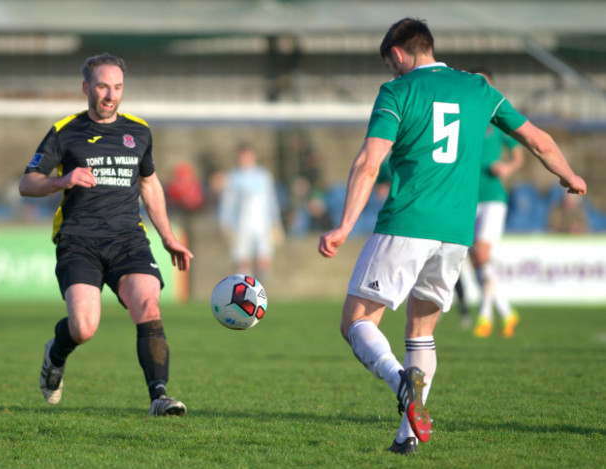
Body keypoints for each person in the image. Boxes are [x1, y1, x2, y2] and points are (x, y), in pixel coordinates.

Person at [318, 18, 586, 455]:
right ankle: (406, 437)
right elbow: (537, 140)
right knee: (421, 332)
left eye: (391, 64)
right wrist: (571, 175)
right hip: (456, 233)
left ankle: (399, 381)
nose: (391, 72)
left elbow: (369, 162)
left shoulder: (398, 92)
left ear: (399, 54)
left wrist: (345, 225)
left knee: (356, 323)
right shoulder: (479, 89)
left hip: (407, 223)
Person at [18, 53, 193, 417]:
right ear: (86, 88)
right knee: (83, 328)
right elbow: (26, 183)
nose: (111, 95)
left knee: (148, 306)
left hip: (128, 239)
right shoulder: (66, 131)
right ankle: (56, 354)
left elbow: (149, 183)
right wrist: (60, 180)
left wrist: (168, 236)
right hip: (79, 241)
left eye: (117, 87)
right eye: (102, 86)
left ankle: (159, 396)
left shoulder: (139, 131)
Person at [461, 68, 526, 338]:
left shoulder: (499, 119)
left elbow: (518, 155)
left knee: (483, 254)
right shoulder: (465, 117)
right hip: (469, 198)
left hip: (493, 199)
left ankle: (485, 315)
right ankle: (507, 311)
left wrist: (507, 169)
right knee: (477, 260)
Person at [218, 143, 283, 284]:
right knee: (242, 260)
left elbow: (271, 201)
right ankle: (243, 292)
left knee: (263, 259)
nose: (244, 159)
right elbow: (227, 203)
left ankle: (260, 291)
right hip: (240, 224)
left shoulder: (263, 176)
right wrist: (225, 224)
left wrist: (276, 223)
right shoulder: (233, 177)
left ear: (253, 156)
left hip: (262, 224)